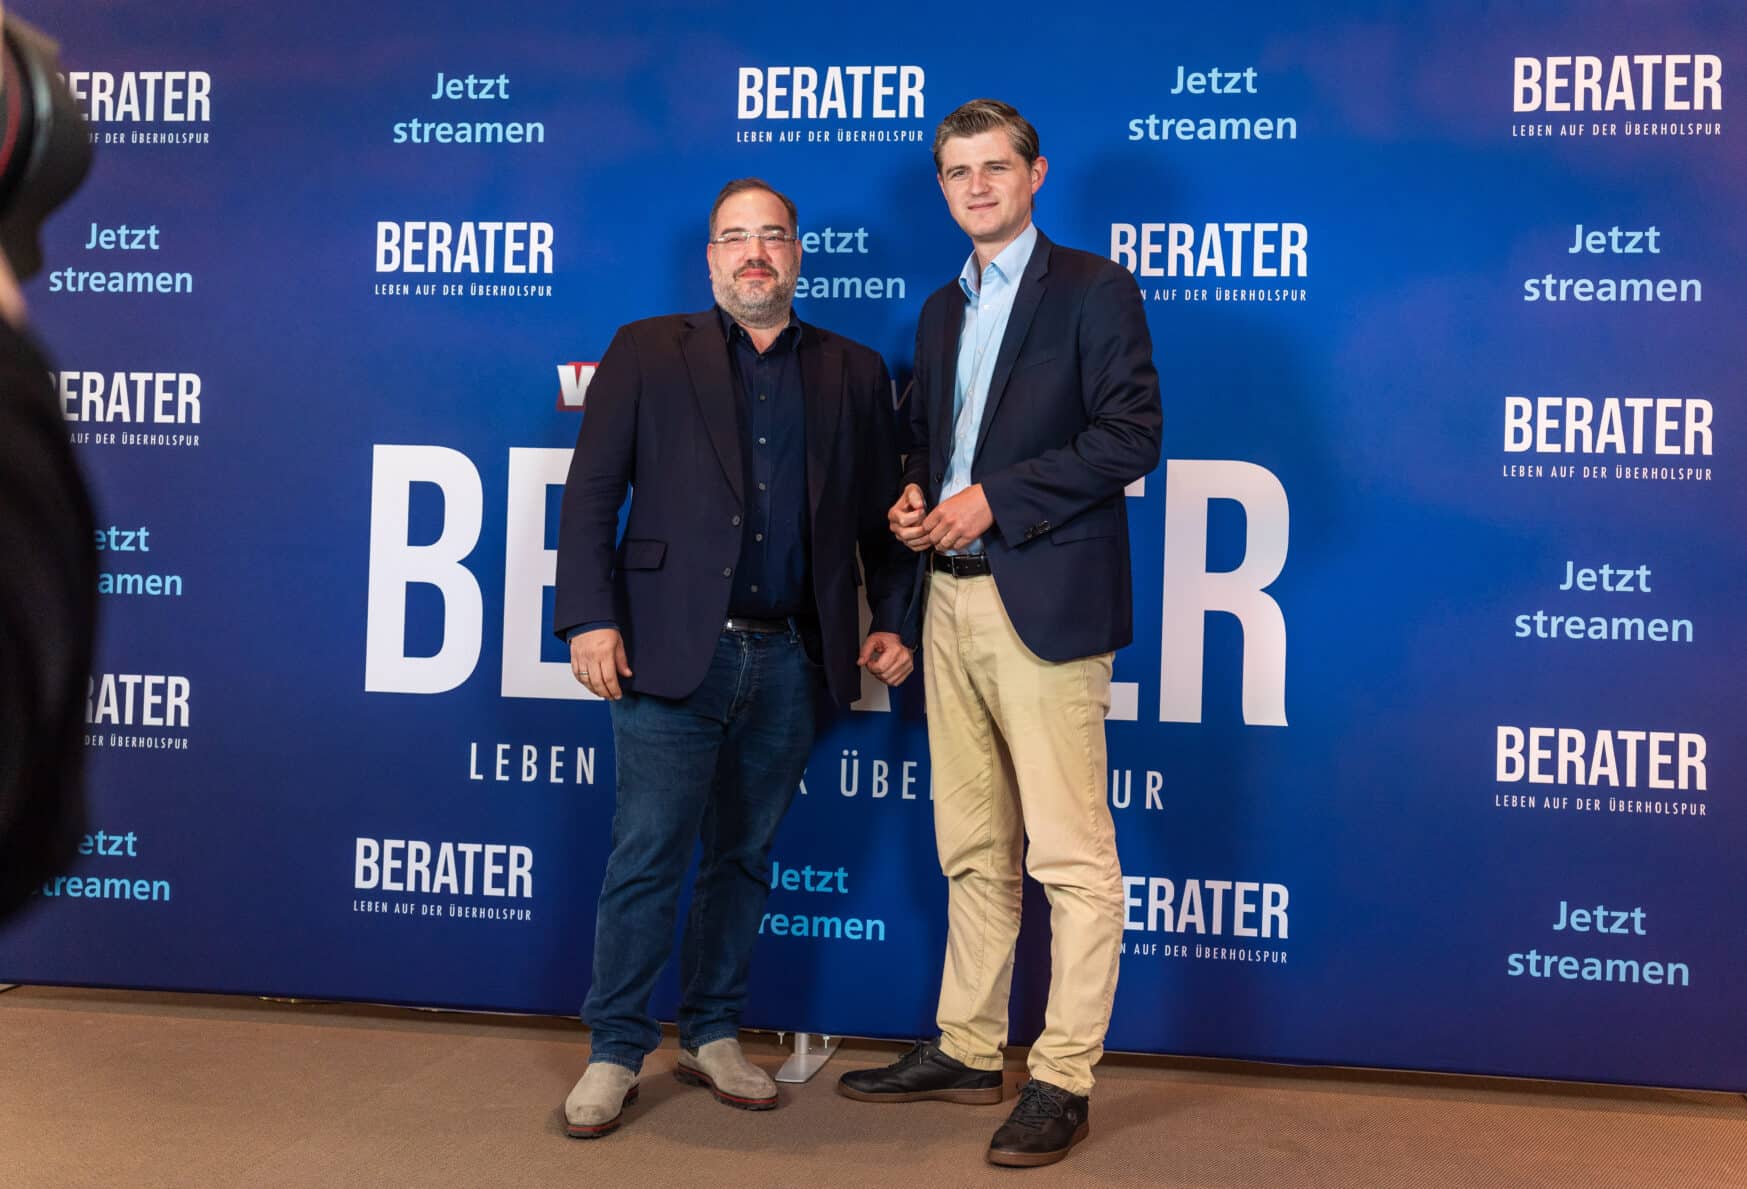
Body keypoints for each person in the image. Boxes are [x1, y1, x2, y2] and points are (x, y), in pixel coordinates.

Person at [837, 99, 1162, 1168]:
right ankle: (970, 1047)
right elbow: (928, 446)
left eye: (994, 167)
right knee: (972, 844)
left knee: (1069, 856)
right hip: (947, 599)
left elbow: (1131, 436)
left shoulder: (1094, 288)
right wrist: (917, 497)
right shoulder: (939, 310)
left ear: (1035, 175)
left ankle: (1062, 1076)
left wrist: (993, 498)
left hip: (1045, 596)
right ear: (941, 186)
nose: (975, 185)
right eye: (956, 171)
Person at [553, 178, 914, 1138]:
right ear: (709, 257)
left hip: (795, 658)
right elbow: (591, 495)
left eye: (772, 237)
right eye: (733, 239)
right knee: (646, 856)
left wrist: (897, 618)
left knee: (743, 860)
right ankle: (615, 1047)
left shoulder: (854, 369)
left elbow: (883, 522)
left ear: (798, 252)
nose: (753, 254)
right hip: (670, 654)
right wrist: (589, 619)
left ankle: (712, 1031)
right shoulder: (643, 350)